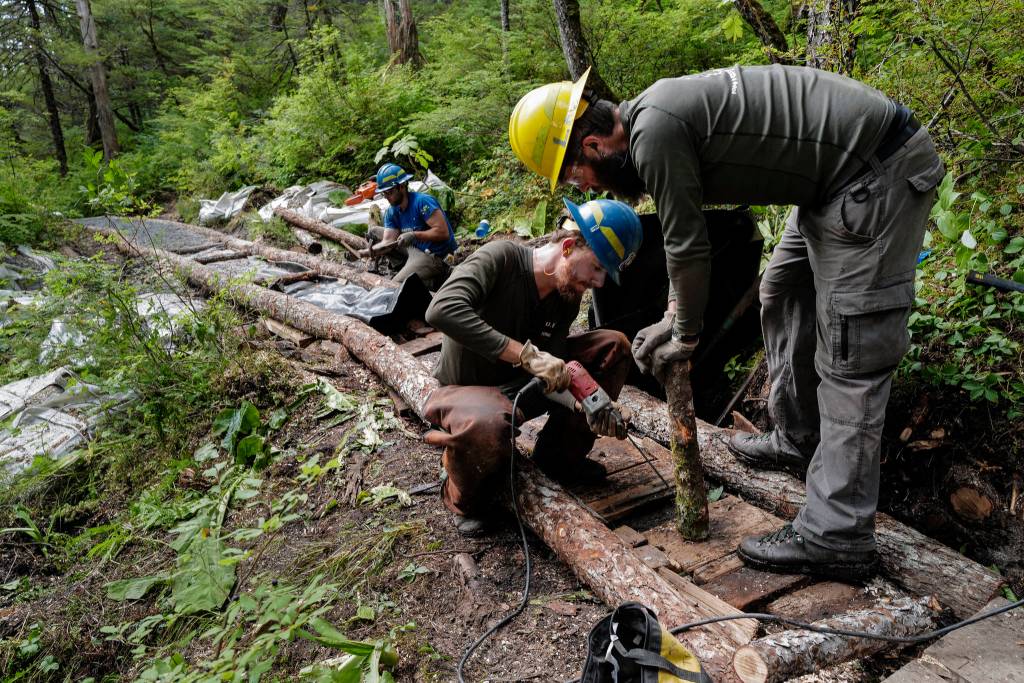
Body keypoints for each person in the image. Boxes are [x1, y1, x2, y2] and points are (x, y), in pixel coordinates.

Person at [509, 65, 946, 581]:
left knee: (852, 353)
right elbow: (682, 236)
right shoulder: (656, 113)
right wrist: (676, 317)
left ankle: (838, 534)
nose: (585, 185)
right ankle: (799, 436)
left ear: (593, 144)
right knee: (780, 292)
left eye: (576, 174)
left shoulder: (656, 133)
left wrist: (683, 332)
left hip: (874, 174)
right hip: (830, 183)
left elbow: (688, 245)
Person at [422, 198, 643, 535]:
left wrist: (588, 404)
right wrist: (524, 355)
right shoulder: (501, 258)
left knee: (614, 346)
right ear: (568, 247)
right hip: (466, 391)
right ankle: (461, 496)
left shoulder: (567, 296)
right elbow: (441, 310)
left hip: (520, 387)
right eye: (597, 268)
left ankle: (559, 461)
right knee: (487, 423)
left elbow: (549, 376)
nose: (599, 282)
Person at [368, 162, 457, 288]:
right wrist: (369, 252)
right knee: (374, 232)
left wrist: (414, 235)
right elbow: (388, 241)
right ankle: (402, 266)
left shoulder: (422, 202)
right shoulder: (392, 211)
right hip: (413, 248)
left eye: (390, 192)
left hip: (434, 256)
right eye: (384, 193)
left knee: (395, 285)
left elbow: (443, 232)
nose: (387, 197)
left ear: (402, 186)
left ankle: (433, 281)